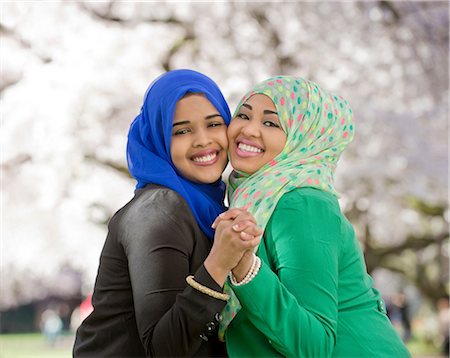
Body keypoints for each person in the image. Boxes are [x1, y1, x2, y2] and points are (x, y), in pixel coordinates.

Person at [214, 76, 411, 357]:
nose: (249, 129)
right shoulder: (255, 196)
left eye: (271, 123)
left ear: (303, 137)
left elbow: (314, 344)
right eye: (243, 115)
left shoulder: (302, 204)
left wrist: (246, 269)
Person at [73, 69, 261, 357]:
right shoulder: (159, 211)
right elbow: (164, 349)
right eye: (181, 131)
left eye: (213, 124)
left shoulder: (207, 207)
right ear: (159, 138)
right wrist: (219, 263)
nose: (202, 140)